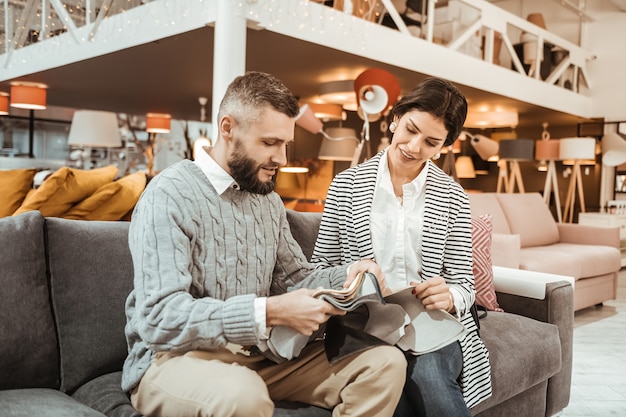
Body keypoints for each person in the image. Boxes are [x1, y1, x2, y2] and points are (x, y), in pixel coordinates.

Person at [121, 71, 407, 417]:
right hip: (174, 359)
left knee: (384, 364)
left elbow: (295, 278)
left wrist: (349, 276)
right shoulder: (169, 195)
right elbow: (158, 318)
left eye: (286, 144)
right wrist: (270, 311)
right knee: (242, 395)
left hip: (260, 355)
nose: (282, 158)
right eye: (270, 143)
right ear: (228, 129)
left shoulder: (267, 201)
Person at [311, 77, 492, 417]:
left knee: (429, 376)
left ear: (444, 146)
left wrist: (450, 296)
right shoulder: (346, 185)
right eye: (409, 130)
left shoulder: (453, 197)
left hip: (432, 323)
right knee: (398, 390)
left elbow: (465, 284)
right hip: (365, 323)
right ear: (395, 119)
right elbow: (319, 268)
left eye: (430, 142)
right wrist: (351, 276)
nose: (413, 146)